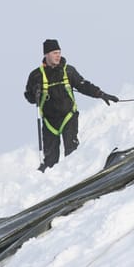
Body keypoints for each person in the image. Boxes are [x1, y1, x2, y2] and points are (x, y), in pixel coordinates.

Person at [24, 39, 120, 171]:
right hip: (49, 122)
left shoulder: (68, 71)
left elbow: (83, 85)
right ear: (46, 54)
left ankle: (75, 175)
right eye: (54, 53)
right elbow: (29, 97)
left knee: (72, 151)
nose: (58, 55)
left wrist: (101, 94)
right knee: (50, 160)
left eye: (59, 52)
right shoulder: (35, 75)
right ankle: (50, 183)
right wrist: (34, 92)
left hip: (68, 116)